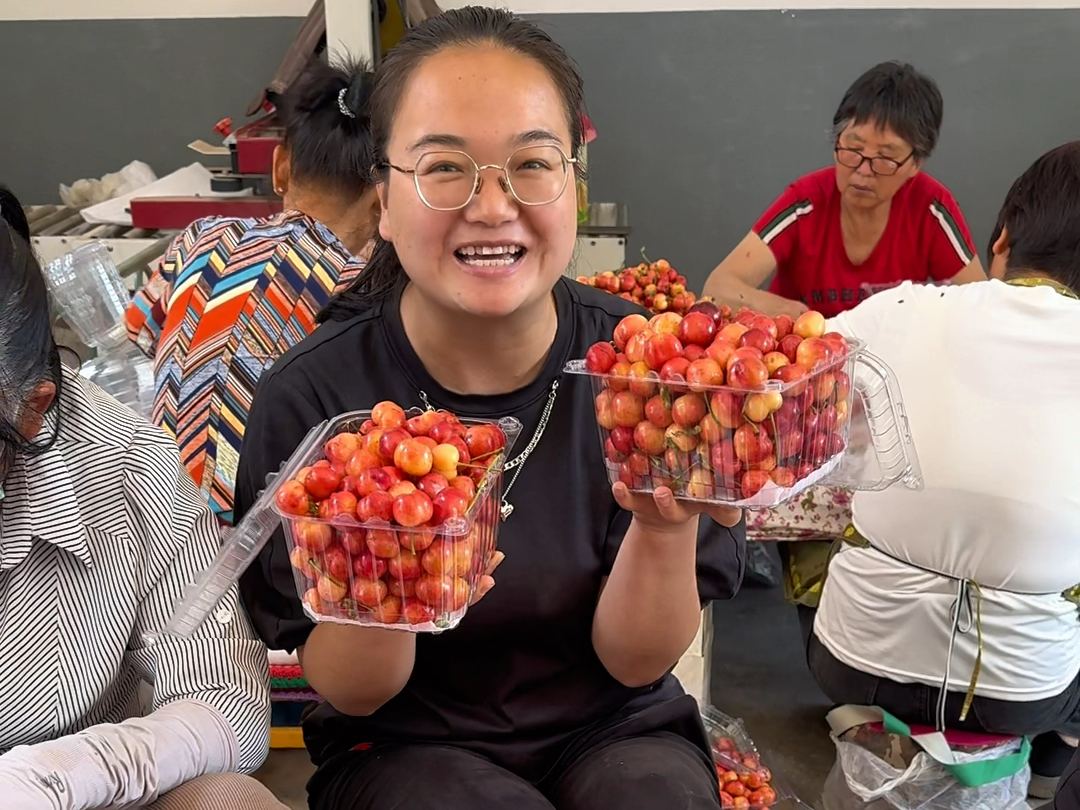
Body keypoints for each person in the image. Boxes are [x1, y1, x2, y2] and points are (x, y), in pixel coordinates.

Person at [236, 8, 746, 810]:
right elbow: (351, 691)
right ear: (384, 195)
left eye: (532, 164)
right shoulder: (315, 401)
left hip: (613, 729)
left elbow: (634, 663)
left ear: (574, 181)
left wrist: (664, 523)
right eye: (445, 168)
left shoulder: (650, 377)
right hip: (402, 744)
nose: (492, 205)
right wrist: (383, 558)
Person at [806, 141, 1080, 799]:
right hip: (1019, 693)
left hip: (854, 661)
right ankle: (1052, 765)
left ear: (1004, 238)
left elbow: (800, 410)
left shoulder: (900, 310)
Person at [0, 194, 285, 809]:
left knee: (229, 800)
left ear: (33, 410)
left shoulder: (125, 466)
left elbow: (225, 705)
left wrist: (57, 775)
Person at [126, 58, 380, 525]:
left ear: (281, 166)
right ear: (385, 199)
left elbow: (137, 332)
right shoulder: (360, 292)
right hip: (255, 552)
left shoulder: (199, 238)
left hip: (155, 518)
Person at [702, 60, 985, 320]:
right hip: (803, 364)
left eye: (885, 158)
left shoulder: (930, 208)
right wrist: (788, 313)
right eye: (853, 148)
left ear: (915, 163)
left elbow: (983, 305)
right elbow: (718, 287)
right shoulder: (805, 204)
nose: (863, 170)